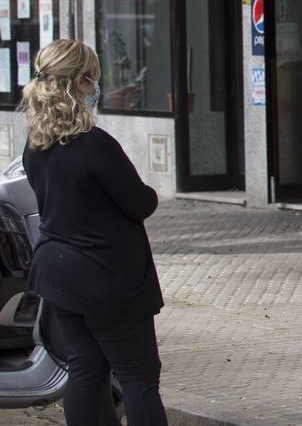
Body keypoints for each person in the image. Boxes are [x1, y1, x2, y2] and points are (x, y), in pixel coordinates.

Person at [20, 39, 168, 425]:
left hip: (58, 274)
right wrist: (151, 191)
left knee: (85, 370)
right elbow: (140, 203)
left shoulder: (36, 145)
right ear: (84, 82)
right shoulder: (96, 145)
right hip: (107, 278)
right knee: (139, 378)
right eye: (95, 79)